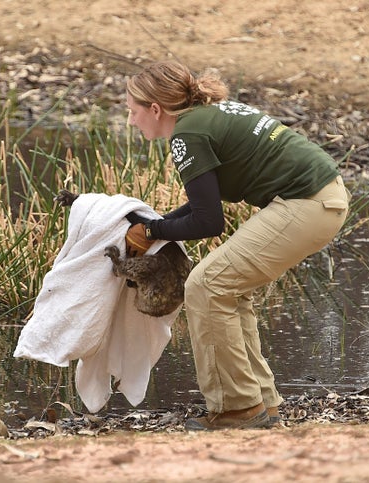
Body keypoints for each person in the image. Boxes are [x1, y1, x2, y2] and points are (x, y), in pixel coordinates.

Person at [122, 60, 350, 430]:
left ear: (155, 109)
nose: (131, 121)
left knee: (207, 286)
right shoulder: (203, 116)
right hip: (320, 198)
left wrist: (150, 233)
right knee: (227, 290)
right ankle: (260, 403)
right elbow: (203, 204)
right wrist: (154, 227)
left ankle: (236, 409)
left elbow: (209, 222)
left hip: (307, 203)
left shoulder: (187, 135)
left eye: (133, 112)